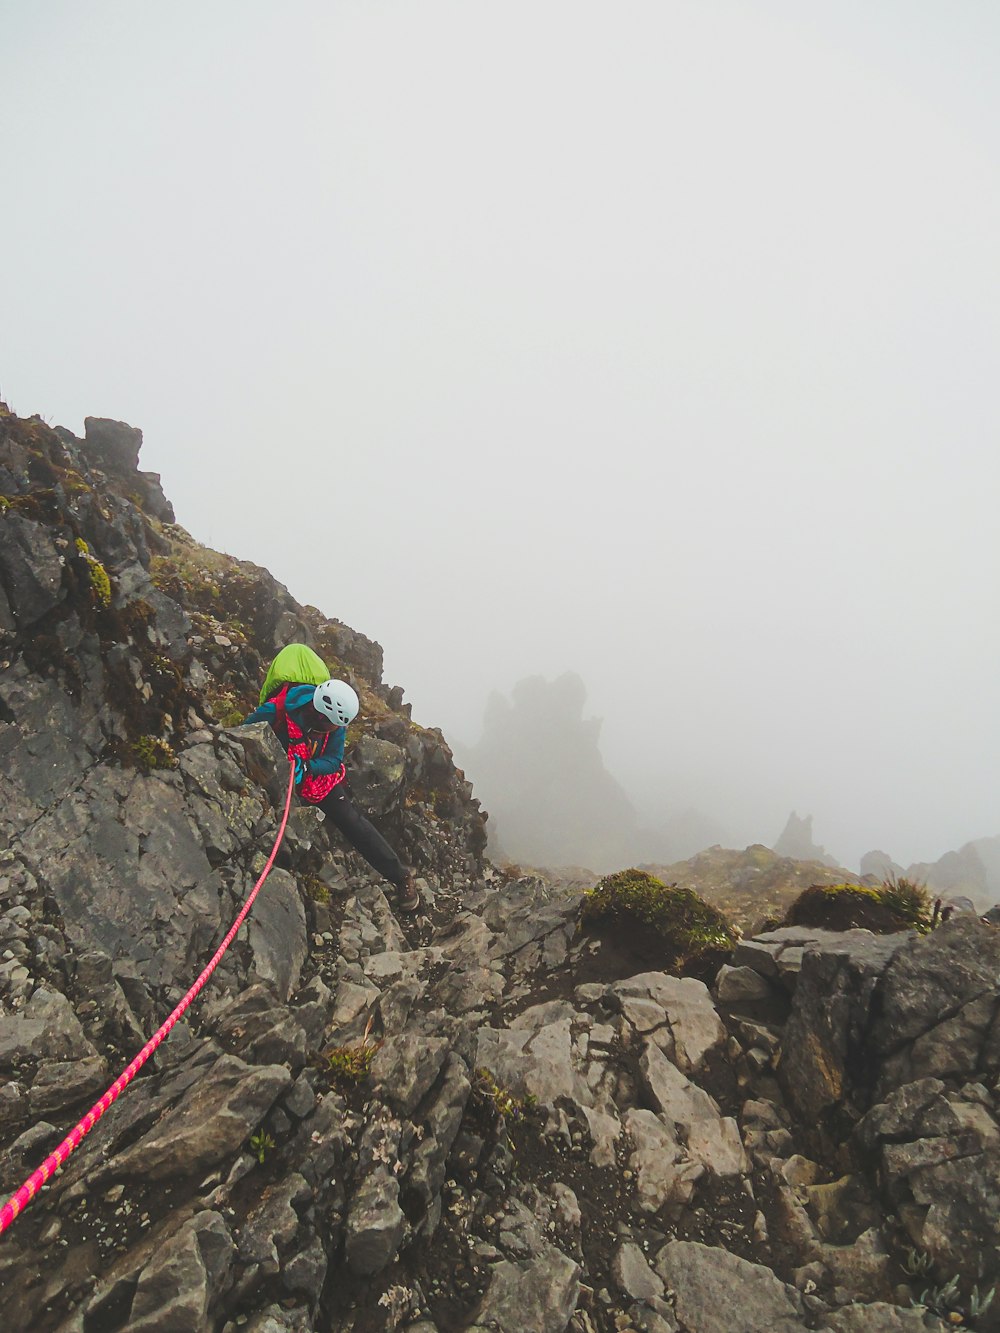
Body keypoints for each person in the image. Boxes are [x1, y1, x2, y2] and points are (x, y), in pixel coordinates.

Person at [243, 645, 420, 914]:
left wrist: (307, 766)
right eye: (332, 726)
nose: (336, 730)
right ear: (319, 713)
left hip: (311, 775)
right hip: (279, 773)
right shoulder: (278, 709)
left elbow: (334, 760)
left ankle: (400, 876)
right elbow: (247, 731)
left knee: (351, 819)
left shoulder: (335, 725)